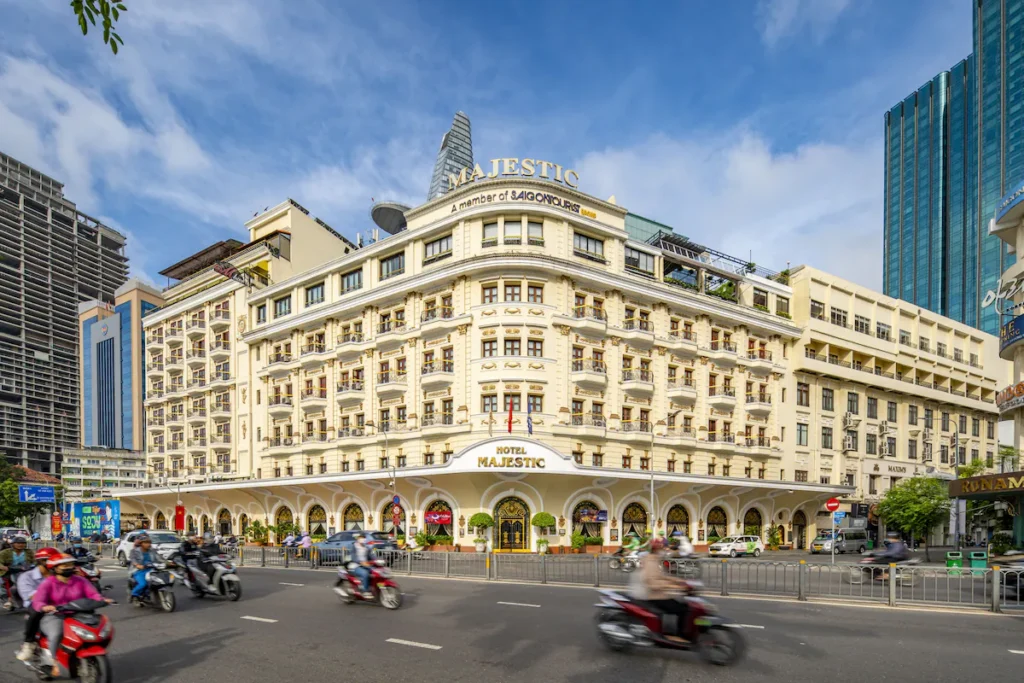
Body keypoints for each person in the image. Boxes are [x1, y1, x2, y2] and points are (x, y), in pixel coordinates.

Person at [32, 554, 112, 678]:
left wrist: (102, 600)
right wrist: (45, 606)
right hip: (55, 615)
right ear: (55, 568)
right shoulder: (48, 583)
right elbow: (38, 601)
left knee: (99, 628)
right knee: (57, 633)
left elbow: (93, 594)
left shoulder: (81, 580)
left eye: (70, 565)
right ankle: (54, 663)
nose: (69, 567)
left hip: (78, 613)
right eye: (65, 565)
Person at [632, 538, 692, 643]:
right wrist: (677, 587)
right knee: (683, 609)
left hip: (660, 593)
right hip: (654, 596)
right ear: (656, 549)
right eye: (661, 548)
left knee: (685, 605)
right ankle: (679, 635)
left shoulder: (654, 559)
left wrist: (681, 581)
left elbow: (663, 577)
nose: (664, 549)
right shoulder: (650, 562)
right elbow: (653, 584)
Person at [15, 547, 59, 662]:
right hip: (37, 605)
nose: (54, 564)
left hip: (59, 604)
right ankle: (28, 643)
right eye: (50, 560)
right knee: (36, 610)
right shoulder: (26, 577)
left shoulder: (60, 575)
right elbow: (33, 596)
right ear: (41, 561)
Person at [0, 536, 35, 609]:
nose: (20, 545)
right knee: (3, 584)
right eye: (18, 543)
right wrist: (3, 567)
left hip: (25, 571)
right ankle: (7, 599)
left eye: (23, 543)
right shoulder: (5, 552)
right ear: (13, 544)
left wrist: (34, 565)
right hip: (9, 571)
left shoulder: (29, 552)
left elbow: (36, 560)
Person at [129, 533, 157, 603]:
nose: (148, 544)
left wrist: (168, 562)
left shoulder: (152, 550)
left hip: (151, 570)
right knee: (143, 584)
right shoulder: (134, 551)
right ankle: (134, 594)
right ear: (141, 543)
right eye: (146, 543)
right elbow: (133, 560)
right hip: (139, 571)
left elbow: (159, 558)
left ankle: (149, 594)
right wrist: (138, 565)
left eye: (149, 542)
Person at [351, 533, 375, 598]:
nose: (362, 539)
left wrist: (378, 560)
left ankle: (373, 588)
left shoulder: (366, 547)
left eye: (363, 538)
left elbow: (371, 556)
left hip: (366, 565)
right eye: (361, 538)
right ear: (358, 539)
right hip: (356, 566)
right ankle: (365, 591)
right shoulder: (354, 546)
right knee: (365, 573)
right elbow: (353, 557)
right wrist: (360, 562)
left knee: (375, 572)